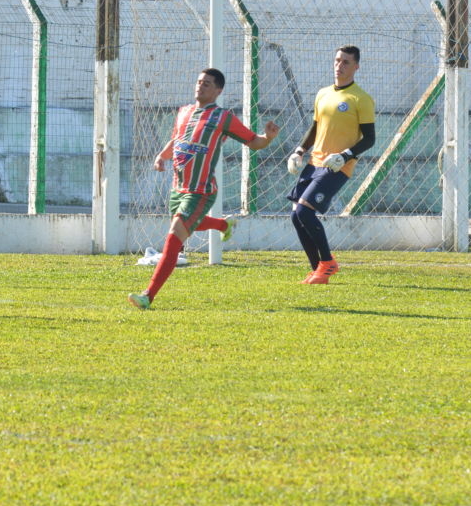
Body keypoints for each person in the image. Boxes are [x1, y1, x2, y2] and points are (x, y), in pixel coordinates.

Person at [128, 68, 279, 309]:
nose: (201, 86)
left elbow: (254, 142)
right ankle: (222, 224)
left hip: (201, 189)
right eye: (199, 82)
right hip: (179, 188)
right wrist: (161, 156)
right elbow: (177, 139)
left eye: (207, 84)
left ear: (218, 91)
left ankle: (148, 295)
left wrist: (268, 137)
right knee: (189, 224)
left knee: (175, 236)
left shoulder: (223, 117)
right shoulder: (184, 111)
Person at [284, 45, 376, 284]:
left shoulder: (361, 99)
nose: (339, 65)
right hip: (315, 162)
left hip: (337, 167)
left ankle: (328, 262)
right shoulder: (323, 93)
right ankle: (319, 270)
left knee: (305, 211)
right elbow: (315, 127)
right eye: (337, 60)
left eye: (346, 62)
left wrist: (345, 156)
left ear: (356, 67)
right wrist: (299, 151)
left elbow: (370, 139)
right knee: (297, 217)